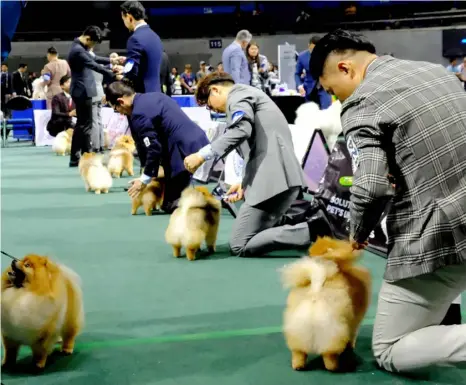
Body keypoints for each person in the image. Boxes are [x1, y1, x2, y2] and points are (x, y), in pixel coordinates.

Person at [310, 29, 466, 374]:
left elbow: (371, 187)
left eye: (332, 91)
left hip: (445, 232)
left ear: (346, 69)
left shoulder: (362, 102)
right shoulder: (435, 72)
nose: (337, 100)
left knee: (389, 349)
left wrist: (357, 233)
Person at [184, 72, 310, 257]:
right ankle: (306, 224)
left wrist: (202, 155)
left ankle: (312, 230)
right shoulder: (248, 96)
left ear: (215, 90)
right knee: (255, 231)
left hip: (276, 180)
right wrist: (245, 183)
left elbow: (241, 130)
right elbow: (255, 150)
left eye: (210, 106)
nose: (215, 111)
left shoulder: (239, 95)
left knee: (239, 244)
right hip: (278, 178)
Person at [104, 80, 210, 213]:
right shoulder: (154, 96)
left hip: (183, 150)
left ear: (121, 101)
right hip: (196, 140)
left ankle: (204, 203)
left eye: (115, 109)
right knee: (167, 201)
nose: (118, 112)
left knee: (172, 205)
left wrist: (145, 178)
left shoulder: (139, 114)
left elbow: (153, 148)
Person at [67, 25, 122, 167]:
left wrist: (111, 61)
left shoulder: (80, 47)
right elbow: (93, 64)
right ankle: (82, 156)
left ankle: (81, 155)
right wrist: (112, 74)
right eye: (94, 43)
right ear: (88, 38)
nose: (93, 46)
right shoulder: (78, 50)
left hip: (84, 89)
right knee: (84, 125)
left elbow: (95, 58)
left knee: (84, 125)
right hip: (82, 90)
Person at [120, 1, 163, 93]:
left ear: (129, 17)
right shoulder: (155, 36)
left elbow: (132, 73)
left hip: (141, 95)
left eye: (123, 19)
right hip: (156, 92)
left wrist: (120, 78)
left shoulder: (135, 39)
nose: (124, 24)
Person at [295, 36, 332, 109]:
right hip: (309, 89)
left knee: (326, 111)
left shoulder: (328, 55)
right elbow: (297, 74)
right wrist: (299, 86)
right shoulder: (302, 56)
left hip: (324, 87)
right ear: (308, 45)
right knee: (310, 114)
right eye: (312, 48)